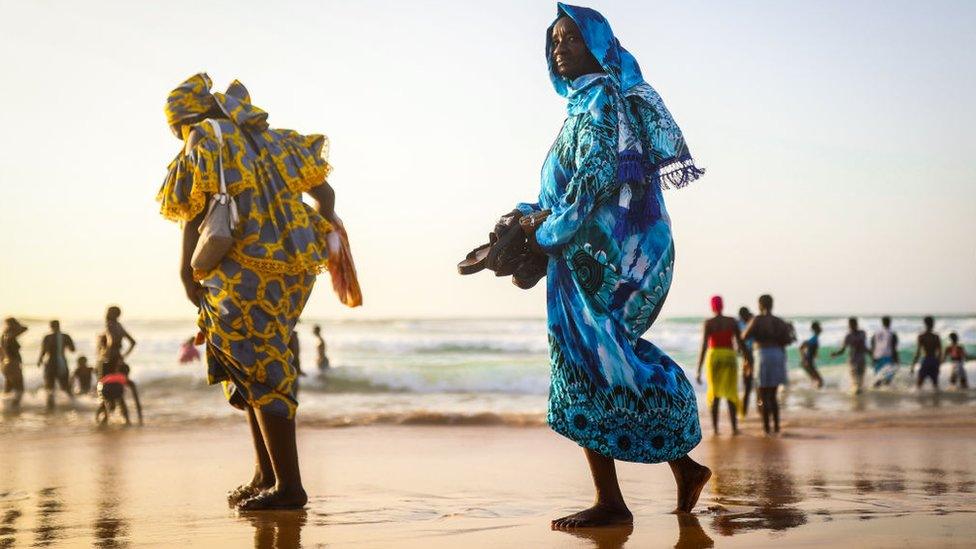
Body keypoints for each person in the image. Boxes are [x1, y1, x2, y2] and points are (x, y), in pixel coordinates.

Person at [508, 5, 709, 528]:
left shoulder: (598, 99)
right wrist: (530, 217)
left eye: (571, 39)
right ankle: (680, 470)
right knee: (599, 364)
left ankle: (613, 501)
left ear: (597, 45)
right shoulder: (582, 107)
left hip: (591, 259)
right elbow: (571, 185)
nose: (559, 49)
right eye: (554, 41)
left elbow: (594, 178)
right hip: (578, 257)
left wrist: (545, 232)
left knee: (593, 365)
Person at [158, 74, 353, 510]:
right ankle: (266, 475)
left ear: (184, 120)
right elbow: (324, 191)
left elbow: (193, 212)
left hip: (240, 268)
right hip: (292, 268)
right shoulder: (273, 140)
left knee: (260, 368)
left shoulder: (204, 138)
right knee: (256, 363)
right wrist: (326, 227)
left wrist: (188, 274)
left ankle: (289, 487)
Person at [742, 295, 794, 435]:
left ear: (760, 305)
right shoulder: (779, 321)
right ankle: (776, 428)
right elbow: (788, 340)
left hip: (762, 355)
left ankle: (766, 429)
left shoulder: (757, 320)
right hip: (777, 354)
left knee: (763, 395)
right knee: (773, 395)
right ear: (772, 305)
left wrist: (747, 357)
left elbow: (743, 337)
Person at [695, 296, 747, 435]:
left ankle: (715, 429)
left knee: (714, 392)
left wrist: (698, 370)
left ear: (712, 306)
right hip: (729, 357)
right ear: (722, 305)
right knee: (731, 392)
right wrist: (747, 360)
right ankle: (735, 428)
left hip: (714, 357)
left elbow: (704, 346)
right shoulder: (732, 321)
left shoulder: (709, 323)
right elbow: (740, 343)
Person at [103, 306, 142, 424]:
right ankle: (127, 418)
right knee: (118, 387)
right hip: (119, 358)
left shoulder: (109, 325)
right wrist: (124, 355)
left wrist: (106, 349)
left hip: (109, 359)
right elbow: (133, 342)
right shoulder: (119, 325)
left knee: (105, 387)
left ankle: (106, 416)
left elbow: (113, 340)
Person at [37, 320, 76, 409]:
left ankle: (50, 406)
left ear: (50, 327)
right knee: (65, 385)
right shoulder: (65, 336)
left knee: (50, 386)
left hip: (50, 363)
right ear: (59, 326)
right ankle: (73, 405)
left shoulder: (47, 337)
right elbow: (73, 349)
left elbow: (43, 351)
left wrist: (39, 360)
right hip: (62, 362)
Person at [831, 317, 868, 394]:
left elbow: (864, 347)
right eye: (851, 325)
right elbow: (843, 350)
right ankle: (855, 396)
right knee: (855, 382)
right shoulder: (848, 336)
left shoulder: (862, 333)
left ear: (856, 324)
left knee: (860, 381)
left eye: (853, 324)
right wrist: (835, 354)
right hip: (853, 361)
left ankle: (858, 399)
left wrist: (871, 354)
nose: (852, 326)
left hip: (861, 360)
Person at [1, 318, 28, 407]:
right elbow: (25, 328)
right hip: (13, 364)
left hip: (5, 365)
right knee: (20, 388)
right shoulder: (11, 335)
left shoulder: (3, 336)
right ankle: (14, 407)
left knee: (8, 388)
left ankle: (5, 408)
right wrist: (17, 324)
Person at [911, 316, 942, 391]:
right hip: (934, 360)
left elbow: (918, 352)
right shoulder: (936, 337)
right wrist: (938, 363)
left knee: (919, 385)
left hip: (925, 361)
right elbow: (940, 352)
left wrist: (913, 365)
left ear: (924, 324)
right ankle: (937, 401)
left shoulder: (921, 336)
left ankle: (918, 401)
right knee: (935, 385)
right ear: (933, 324)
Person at [870, 316, 900, 387]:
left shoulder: (876, 333)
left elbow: (872, 345)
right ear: (890, 322)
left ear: (882, 323)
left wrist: (872, 357)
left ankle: (875, 392)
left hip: (877, 357)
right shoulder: (892, 334)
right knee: (887, 379)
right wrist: (896, 359)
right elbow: (894, 347)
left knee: (878, 378)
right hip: (887, 357)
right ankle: (885, 395)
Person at [737, 307, 755, 416]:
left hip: (750, 356)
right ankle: (744, 411)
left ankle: (744, 411)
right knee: (748, 384)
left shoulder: (751, 322)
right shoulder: (749, 323)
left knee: (749, 385)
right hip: (747, 357)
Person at [798, 321, 824, 388]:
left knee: (815, 380)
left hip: (808, 362)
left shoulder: (815, 338)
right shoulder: (814, 339)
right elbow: (801, 347)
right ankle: (813, 395)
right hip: (807, 362)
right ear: (816, 329)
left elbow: (810, 349)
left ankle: (811, 395)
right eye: (819, 327)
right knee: (820, 381)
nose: (821, 329)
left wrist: (815, 354)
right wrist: (804, 359)